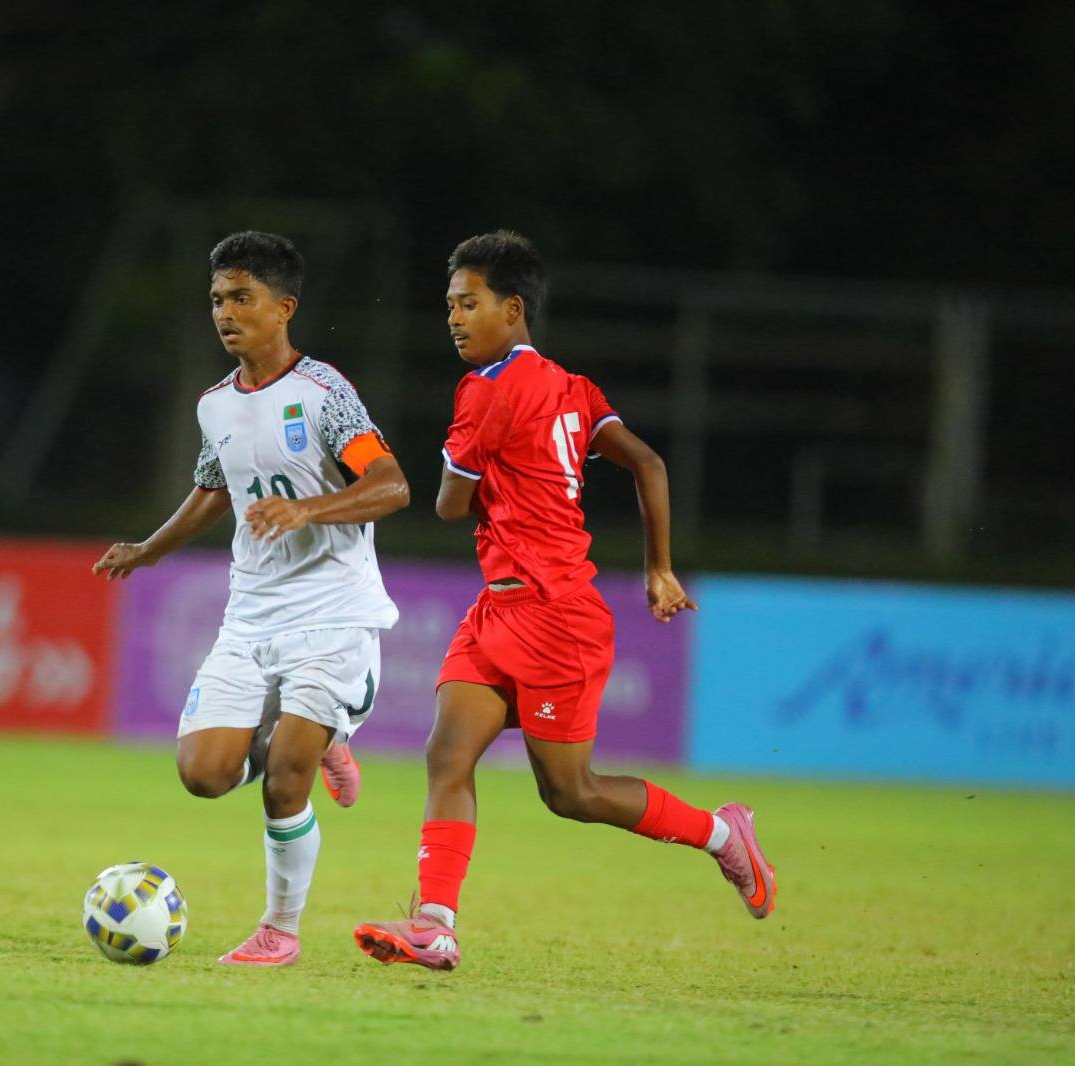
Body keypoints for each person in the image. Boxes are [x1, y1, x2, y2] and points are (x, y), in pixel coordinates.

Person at [352, 230, 775, 972]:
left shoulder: (486, 388)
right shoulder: (576, 389)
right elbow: (648, 463)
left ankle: (721, 834)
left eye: (468, 304)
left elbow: (449, 504)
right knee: (447, 753)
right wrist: (659, 569)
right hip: (500, 608)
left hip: (554, 616)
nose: (453, 319)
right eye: (449, 305)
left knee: (570, 793)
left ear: (513, 308)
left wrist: (477, 470)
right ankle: (435, 924)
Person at [93, 230, 410, 966]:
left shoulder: (324, 394)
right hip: (251, 618)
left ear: (284, 307)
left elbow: (391, 485)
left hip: (332, 615)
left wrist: (308, 509)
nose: (225, 313)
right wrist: (147, 549)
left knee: (285, 781)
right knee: (203, 775)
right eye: (216, 300)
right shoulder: (214, 406)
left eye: (241, 298)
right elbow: (213, 490)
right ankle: (322, 739)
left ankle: (280, 930)